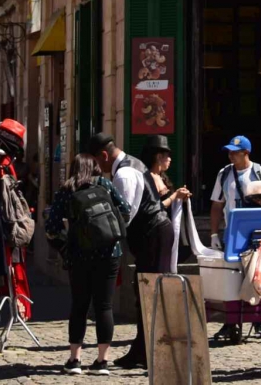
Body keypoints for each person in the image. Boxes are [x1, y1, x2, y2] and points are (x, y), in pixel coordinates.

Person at [44, 152, 132, 376]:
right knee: (105, 306)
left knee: (79, 306)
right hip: (110, 253)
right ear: (95, 167)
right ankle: (102, 361)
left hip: (79, 255)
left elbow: (52, 228)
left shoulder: (66, 189)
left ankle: (75, 360)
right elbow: (125, 210)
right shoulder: (105, 184)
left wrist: (66, 245)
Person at [84, 131, 164, 371]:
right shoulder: (131, 165)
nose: (98, 168)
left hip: (152, 233)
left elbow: (123, 215)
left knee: (148, 294)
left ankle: (149, 352)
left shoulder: (125, 173)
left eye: (97, 163)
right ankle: (140, 350)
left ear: (104, 155)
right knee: (143, 295)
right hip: (152, 233)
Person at [208, 134, 261, 346]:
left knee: (257, 275)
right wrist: (214, 234)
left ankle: (260, 319)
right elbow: (217, 205)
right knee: (232, 276)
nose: (230, 156)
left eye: (235, 152)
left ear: (246, 153)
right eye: (229, 152)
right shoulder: (224, 173)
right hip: (232, 232)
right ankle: (232, 320)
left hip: (257, 232)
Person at [142, 135, 192, 273]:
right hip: (154, 233)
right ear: (158, 157)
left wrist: (181, 197)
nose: (170, 159)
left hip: (167, 230)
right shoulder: (148, 178)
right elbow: (154, 207)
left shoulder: (162, 177)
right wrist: (175, 195)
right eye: (167, 156)